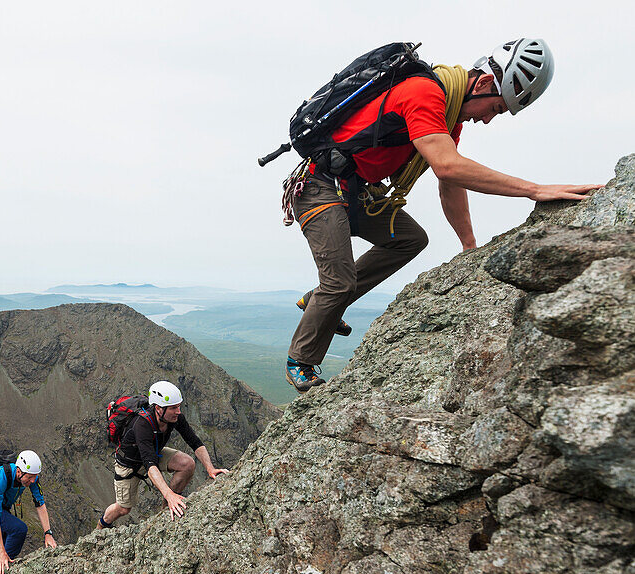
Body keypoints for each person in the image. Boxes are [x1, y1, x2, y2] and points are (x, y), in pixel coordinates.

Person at [283, 39, 602, 392]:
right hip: (318, 187)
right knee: (339, 282)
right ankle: (302, 360)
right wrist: (535, 190)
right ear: (482, 84)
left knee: (410, 240)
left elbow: (449, 182)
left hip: (355, 192)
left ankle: (319, 303)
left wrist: (469, 244)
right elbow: (448, 167)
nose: (487, 119)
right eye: (495, 108)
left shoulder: (449, 116)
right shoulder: (423, 93)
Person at [97, 380, 228, 528]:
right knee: (123, 508)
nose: (178, 411)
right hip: (129, 464)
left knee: (187, 464)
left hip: (153, 453)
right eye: (173, 408)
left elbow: (194, 442)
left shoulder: (174, 417)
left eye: (178, 406)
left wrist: (210, 468)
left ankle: (166, 511)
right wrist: (168, 493)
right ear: (158, 408)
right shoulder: (142, 424)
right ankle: (101, 526)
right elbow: (149, 464)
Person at [0, 450, 57, 574]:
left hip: (2, 507)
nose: (33, 481)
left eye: (34, 476)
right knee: (18, 529)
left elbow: (40, 504)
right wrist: (2, 553)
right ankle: (5, 568)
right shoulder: (0, 478)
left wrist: (48, 533)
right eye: (29, 477)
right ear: (19, 471)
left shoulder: (32, 477)